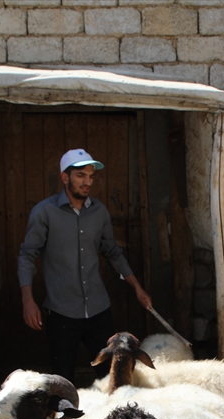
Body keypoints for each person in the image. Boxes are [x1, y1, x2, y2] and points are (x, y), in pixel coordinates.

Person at [18, 148, 152, 382]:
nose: (87, 182)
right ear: (65, 177)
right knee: (62, 380)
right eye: (81, 175)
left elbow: (113, 252)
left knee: (111, 377)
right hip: (62, 312)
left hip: (98, 310)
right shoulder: (44, 213)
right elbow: (27, 255)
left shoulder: (99, 212)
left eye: (91, 176)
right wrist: (27, 301)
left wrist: (137, 288)